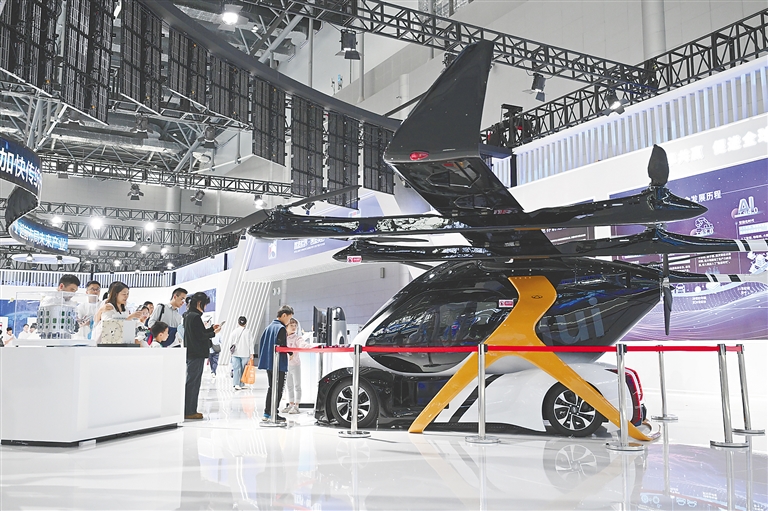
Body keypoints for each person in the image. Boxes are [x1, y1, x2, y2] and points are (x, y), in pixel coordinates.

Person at [183, 292, 221, 420]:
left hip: (191, 353)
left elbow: (199, 333)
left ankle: (188, 409)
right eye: (205, 304)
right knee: (193, 383)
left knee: (192, 382)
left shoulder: (188, 315)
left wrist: (211, 329)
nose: (205, 307)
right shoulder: (195, 317)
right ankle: (190, 411)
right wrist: (214, 333)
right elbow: (201, 336)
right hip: (196, 353)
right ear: (200, 303)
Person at [257, 305, 294, 422]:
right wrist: (291, 352)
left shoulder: (269, 327)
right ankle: (274, 413)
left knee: (271, 387)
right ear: (284, 315)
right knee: (278, 389)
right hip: (278, 364)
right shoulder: (281, 328)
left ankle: (267, 413)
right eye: (289, 318)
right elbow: (281, 345)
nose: (289, 321)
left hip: (269, 363)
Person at [282, 318, 310, 414]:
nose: (294, 328)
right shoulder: (283, 338)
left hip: (295, 365)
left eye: (295, 326)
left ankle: (297, 406)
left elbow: (302, 344)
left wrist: (309, 347)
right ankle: (291, 404)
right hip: (286, 365)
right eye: (291, 325)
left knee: (297, 385)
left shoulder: (297, 338)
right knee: (289, 386)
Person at [230, 316, 254, 391]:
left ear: (238, 323)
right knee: (244, 369)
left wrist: (230, 351)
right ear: (246, 323)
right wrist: (252, 353)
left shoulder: (234, 331)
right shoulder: (248, 332)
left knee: (236, 369)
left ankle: (236, 384)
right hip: (245, 353)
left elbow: (230, 342)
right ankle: (242, 384)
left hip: (235, 353)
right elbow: (251, 343)